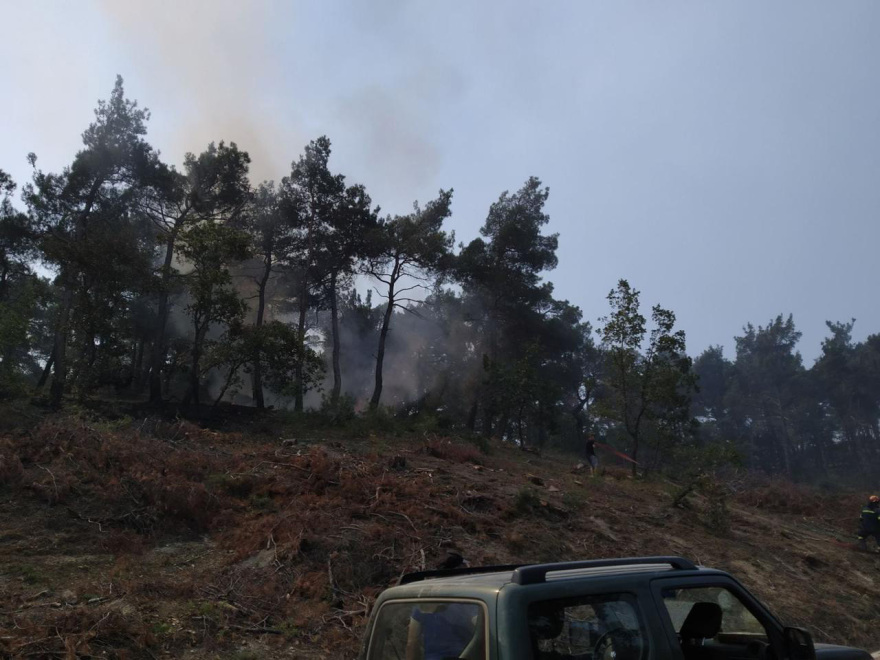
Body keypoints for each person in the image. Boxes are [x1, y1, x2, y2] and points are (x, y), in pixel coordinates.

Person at [406, 602, 480, 660]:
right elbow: (483, 627)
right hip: (465, 655)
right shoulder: (467, 603)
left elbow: (412, 642)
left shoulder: (422, 605)